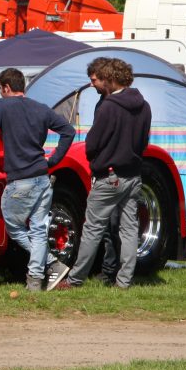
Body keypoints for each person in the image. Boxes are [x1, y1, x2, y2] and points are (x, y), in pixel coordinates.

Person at [0, 68, 76, 292]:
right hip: (42, 177)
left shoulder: (3, 106)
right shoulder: (40, 108)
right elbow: (68, 130)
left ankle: (49, 263)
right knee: (38, 229)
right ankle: (36, 281)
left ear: (6, 88)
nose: (0, 94)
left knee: (14, 227)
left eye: (0, 90)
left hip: (20, 181)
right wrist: (53, 159)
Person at [57, 58, 152, 290]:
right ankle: (124, 281)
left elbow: (92, 143)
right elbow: (143, 141)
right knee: (129, 229)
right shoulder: (144, 105)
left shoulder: (109, 106)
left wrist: (97, 160)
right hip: (133, 174)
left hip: (109, 175)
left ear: (110, 79)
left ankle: (76, 279)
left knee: (93, 228)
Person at [86, 57, 120, 286]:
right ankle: (109, 271)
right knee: (107, 226)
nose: (91, 84)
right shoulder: (101, 104)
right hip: (103, 171)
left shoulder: (115, 104)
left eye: (94, 80)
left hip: (116, 173)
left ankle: (114, 272)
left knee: (116, 225)